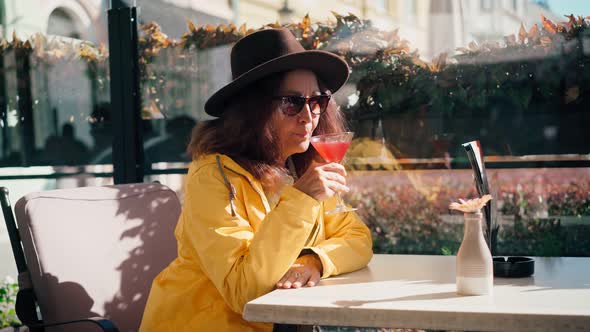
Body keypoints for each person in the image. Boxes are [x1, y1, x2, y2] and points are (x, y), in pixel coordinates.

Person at [140, 28, 373, 331]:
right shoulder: (212, 177)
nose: (308, 116)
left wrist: (314, 260)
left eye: (316, 101)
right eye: (292, 102)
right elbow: (244, 291)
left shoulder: (300, 170)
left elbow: (357, 239)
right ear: (254, 109)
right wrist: (301, 200)